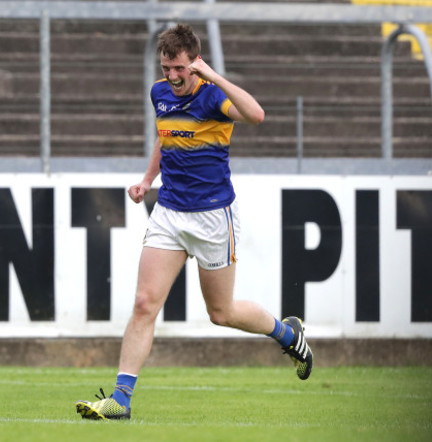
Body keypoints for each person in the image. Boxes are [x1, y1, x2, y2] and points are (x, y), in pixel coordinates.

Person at [75, 24, 312, 421]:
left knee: (221, 313)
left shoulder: (214, 96)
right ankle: (121, 399)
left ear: (195, 64)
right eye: (166, 67)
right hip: (168, 212)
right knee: (144, 303)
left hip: (213, 217)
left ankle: (288, 334)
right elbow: (165, 136)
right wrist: (148, 180)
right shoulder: (160, 93)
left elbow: (256, 115)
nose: (172, 76)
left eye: (179, 68)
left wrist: (213, 75)